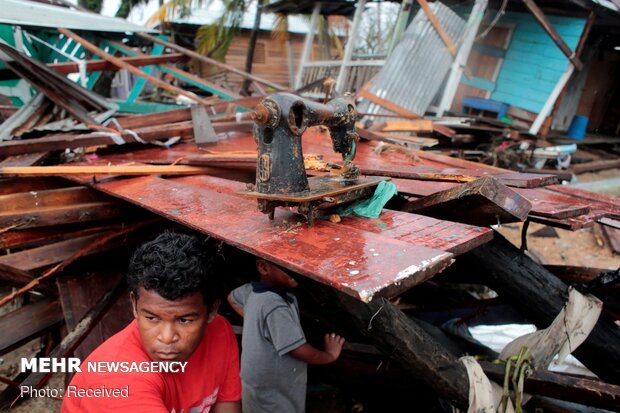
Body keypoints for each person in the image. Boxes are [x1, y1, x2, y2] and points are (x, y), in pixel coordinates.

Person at [62, 232, 241, 413]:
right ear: (134, 304)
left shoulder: (220, 332)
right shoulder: (117, 379)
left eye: (184, 320)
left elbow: (228, 406)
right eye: (152, 318)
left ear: (211, 311)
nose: (167, 337)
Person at [227, 259, 345, 413]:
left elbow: (232, 298)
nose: (295, 270)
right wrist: (330, 355)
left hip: (256, 386)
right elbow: (298, 349)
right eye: (287, 265)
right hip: (275, 394)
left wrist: (257, 322)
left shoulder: (252, 291)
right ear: (263, 267)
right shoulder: (275, 305)